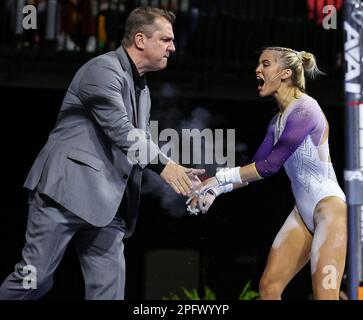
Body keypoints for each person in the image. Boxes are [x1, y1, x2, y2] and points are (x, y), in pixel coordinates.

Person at [0, 6, 204, 300]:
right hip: (64, 194)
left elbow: (139, 144)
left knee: (109, 293)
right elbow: (121, 130)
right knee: (34, 279)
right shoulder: (102, 69)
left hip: (107, 206)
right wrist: (165, 168)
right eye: (166, 39)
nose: (173, 47)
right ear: (140, 39)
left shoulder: (141, 88)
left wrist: (183, 177)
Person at [188, 47, 347, 300]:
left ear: (285, 73)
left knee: (325, 296)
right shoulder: (276, 123)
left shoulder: (307, 109)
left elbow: (268, 167)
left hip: (329, 210)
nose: (257, 69)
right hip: (303, 211)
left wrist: (218, 179)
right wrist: (215, 189)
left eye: (265, 64)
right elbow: (254, 166)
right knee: (269, 288)